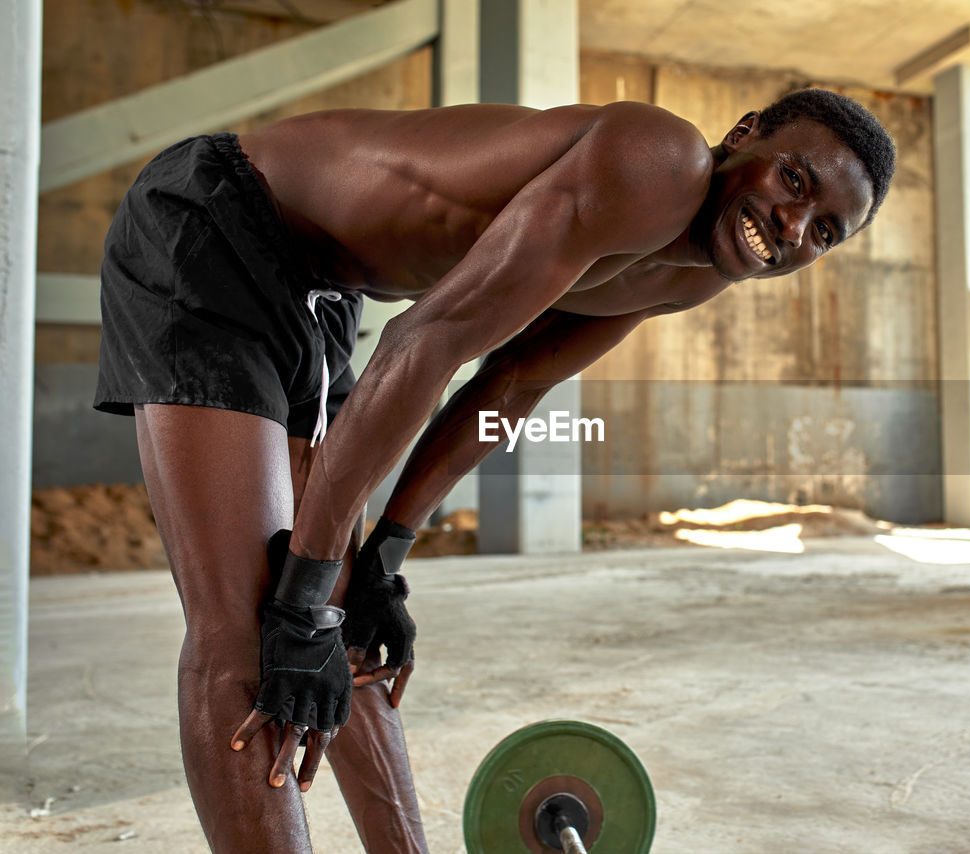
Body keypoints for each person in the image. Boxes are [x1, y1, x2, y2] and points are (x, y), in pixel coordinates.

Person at [93, 88, 895, 852]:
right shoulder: (661, 160)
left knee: (347, 623)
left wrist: (385, 558)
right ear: (746, 133)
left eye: (824, 230)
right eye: (796, 181)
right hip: (222, 217)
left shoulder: (695, 274)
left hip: (322, 288)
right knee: (246, 630)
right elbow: (427, 343)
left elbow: (511, 388)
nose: (793, 227)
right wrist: (304, 591)